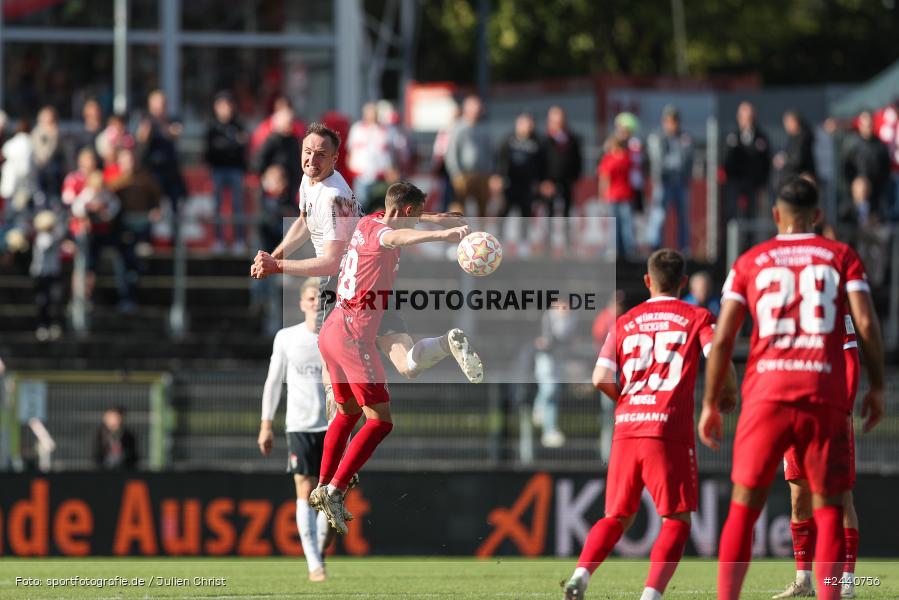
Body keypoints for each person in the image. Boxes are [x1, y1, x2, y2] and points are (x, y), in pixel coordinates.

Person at [700, 177, 885, 600]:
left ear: (775, 216)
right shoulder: (839, 259)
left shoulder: (751, 260)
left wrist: (711, 401)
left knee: (743, 508)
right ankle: (819, 587)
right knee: (826, 506)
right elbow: (869, 323)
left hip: (767, 396)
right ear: (818, 216)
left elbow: (725, 335)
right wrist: (877, 387)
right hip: (820, 394)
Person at [251, 123, 483, 396]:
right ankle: (446, 343)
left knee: (331, 374)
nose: (311, 159)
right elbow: (307, 219)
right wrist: (275, 254)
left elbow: (331, 263)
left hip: (346, 283)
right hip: (375, 279)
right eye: (308, 152)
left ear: (335, 159)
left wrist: (277, 266)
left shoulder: (333, 197)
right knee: (407, 364)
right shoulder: (311, 180)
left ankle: (337, 431)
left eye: (320, 154)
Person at [563, 249, 736, 600]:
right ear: (683, 283)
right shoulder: (697, 315)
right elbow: (716, 354)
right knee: (676, 520)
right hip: (667, 427)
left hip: (627, 425)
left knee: (616, 516)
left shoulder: (624, 321)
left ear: (647, 281)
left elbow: (599, 377)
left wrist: (628, 402)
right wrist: (725, 395)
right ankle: (650, 596)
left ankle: (581, 574)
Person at [308, 181, 470, 534]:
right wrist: (443, 237)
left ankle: (322, 485)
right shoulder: (384, 233)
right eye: (416, 217)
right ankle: (336, 490)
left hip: (332, 330)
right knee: (380, 421)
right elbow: (396, 238)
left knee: (348, 413)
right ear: (407, 212)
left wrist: (438, 218)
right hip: (353, 337)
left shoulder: (371, 219)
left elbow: (401, 220)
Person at [772, 316, 861, 599]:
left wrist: (844, 409)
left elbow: (851, 362)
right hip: (795, 417)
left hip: (831, 416)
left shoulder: (838, 312)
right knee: (799, 498)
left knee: (841, 498)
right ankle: (803, 580)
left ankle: (846, 580)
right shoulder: (784, 315)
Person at [257, 277, 331, 582]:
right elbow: (273, 381)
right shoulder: (287, 337)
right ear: (302, 303)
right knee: (304, 489)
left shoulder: (335, 336)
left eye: (321, 299)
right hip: (300, 425)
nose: (316, 303)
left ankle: (319, 552)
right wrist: (266, 425)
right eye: (311, 298)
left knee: (331, 495)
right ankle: (314, 563)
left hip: (333, 425)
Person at [204, 91, 249, 254]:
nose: (225, 109)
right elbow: (210, 149)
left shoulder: (238, 124)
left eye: (228, 105)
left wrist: (228, 145)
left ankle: (239, 240)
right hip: (217, 170)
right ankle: (218, 240)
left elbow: (242, 147)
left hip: (236, 170)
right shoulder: (212, 125)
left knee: (238, 206)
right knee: (217, 207)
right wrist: (231, 143)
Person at [647, 106, 693, 253]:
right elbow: (656, 160)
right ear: (664, 121)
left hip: (680, 181)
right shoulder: (657, 137)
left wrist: (686, 175)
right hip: (664, 181)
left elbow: (689, 158)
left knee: (683, 216)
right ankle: (655, 246)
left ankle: (684, 247)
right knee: (659, 215)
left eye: (675, 121)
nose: (672, 124)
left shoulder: (684, 137)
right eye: (669, 121)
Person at [532, 300, 576, 448]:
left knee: (554, 394)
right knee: (549, 390)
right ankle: (539, 408)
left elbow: (564, 339)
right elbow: (547, 339)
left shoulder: (570, 320)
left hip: (559, 362)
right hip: (546, 361)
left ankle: (549, 430)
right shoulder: (549, 317)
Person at [445, 95, 494, 217]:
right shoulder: (458, 128)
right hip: (463, 174)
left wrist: (490, 172)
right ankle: (457, 234)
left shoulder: (484, 128)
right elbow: (451, 152)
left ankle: (481, 235)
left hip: (482, 174)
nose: (476, 110)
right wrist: (456, 173)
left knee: (483, 209)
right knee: (458, 209)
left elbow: (490, 152)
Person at [724, 101, 771, 222]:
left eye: (749, 117)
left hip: (753, 182)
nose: (746, 120)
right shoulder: (731, 136)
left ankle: (750, 240)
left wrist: (762, 182)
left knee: (751, 214)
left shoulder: (761, 137)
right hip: (735, 180)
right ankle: (730, 240)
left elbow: (766, 161)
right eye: (743, 117)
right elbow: (726, 159)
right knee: (731, 212)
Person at [843, 110, 891, 219]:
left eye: (870, 125)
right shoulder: (853, 145)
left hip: (876, 191)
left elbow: (885, 167)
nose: (868, 128)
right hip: (857, 191)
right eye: (865, 125)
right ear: (860, 125)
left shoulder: (880, 145)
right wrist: (856, 184)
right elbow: (847, 169)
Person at [495, 112, 544, 219]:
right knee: (503, 213)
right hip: (509, 184)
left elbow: (542, 164)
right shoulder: (508, 140)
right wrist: (498, 177)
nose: (527, 127)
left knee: (526, 215)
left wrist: (540, 182)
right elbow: (500, 160)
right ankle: (498, 235)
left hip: (528, 187)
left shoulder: (538, 142)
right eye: (524, 123)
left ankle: (524, 236)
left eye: (530, 124)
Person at [539, 106, 583, 221]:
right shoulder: (544, 141)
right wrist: (544, 181)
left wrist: (574, 177)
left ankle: (567, 237)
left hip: (567, 182)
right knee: (549, 212)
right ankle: (548, 238)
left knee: (567, 212)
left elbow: (577, 159)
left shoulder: (572, 139)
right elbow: (539, 162)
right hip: (549, 182)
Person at [254, 106, 302, 207]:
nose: (289, 125)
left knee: (289, 218)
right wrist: (268, 175)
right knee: (272, 216)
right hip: (273, 187)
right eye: (287, 122)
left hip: (290, 186)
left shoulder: (293, 140)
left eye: (290, 122)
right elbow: (259, 161)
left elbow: (297, 161)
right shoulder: (272, 140)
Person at [598, 136, 636, 258]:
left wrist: (602, 195)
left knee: (615, 225)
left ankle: (614, 249)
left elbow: (605, 178)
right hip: (625, 194)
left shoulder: (609, 159)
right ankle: (628, 250)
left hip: (613, 195)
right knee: (626, 224)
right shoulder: (628, 158)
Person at [775, 109, 816, 186]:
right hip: (791, 180)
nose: (786, 125)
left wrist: (783, 161)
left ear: (796, 121)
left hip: (800, 180)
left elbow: (798, 159)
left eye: (788, 122)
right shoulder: (792, 137)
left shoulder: (804, 137)